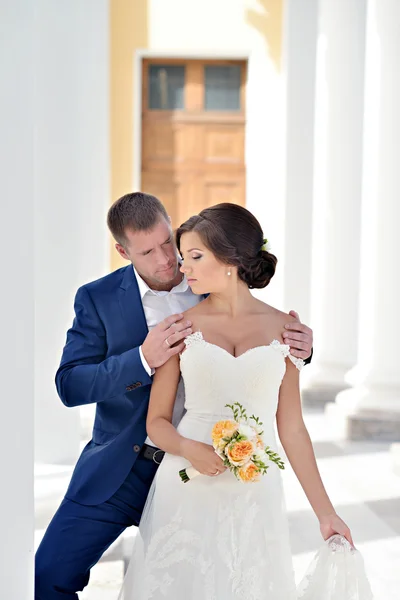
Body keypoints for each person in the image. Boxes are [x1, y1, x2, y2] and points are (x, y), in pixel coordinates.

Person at [34, 193, 314, 600]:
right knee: (48, 575)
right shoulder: (96, 298)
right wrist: (141, 359)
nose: (167, 259)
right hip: (120, 472)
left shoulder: (211, 276)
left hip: (203, 470)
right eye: (147, 251)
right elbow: (70, 385)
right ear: (122, 251)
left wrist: (302, 348)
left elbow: (259, 336)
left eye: (168, 241)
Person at [118, 202, 352, 600]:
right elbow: (156, 421)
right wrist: (191, 449)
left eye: (194, 257)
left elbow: (292, 429)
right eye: (183, 257)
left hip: (255, 489)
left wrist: (325, 512)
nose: (183, 268)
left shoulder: (286, 331)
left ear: (229, 260)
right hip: (186, 483)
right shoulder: (180, 327)